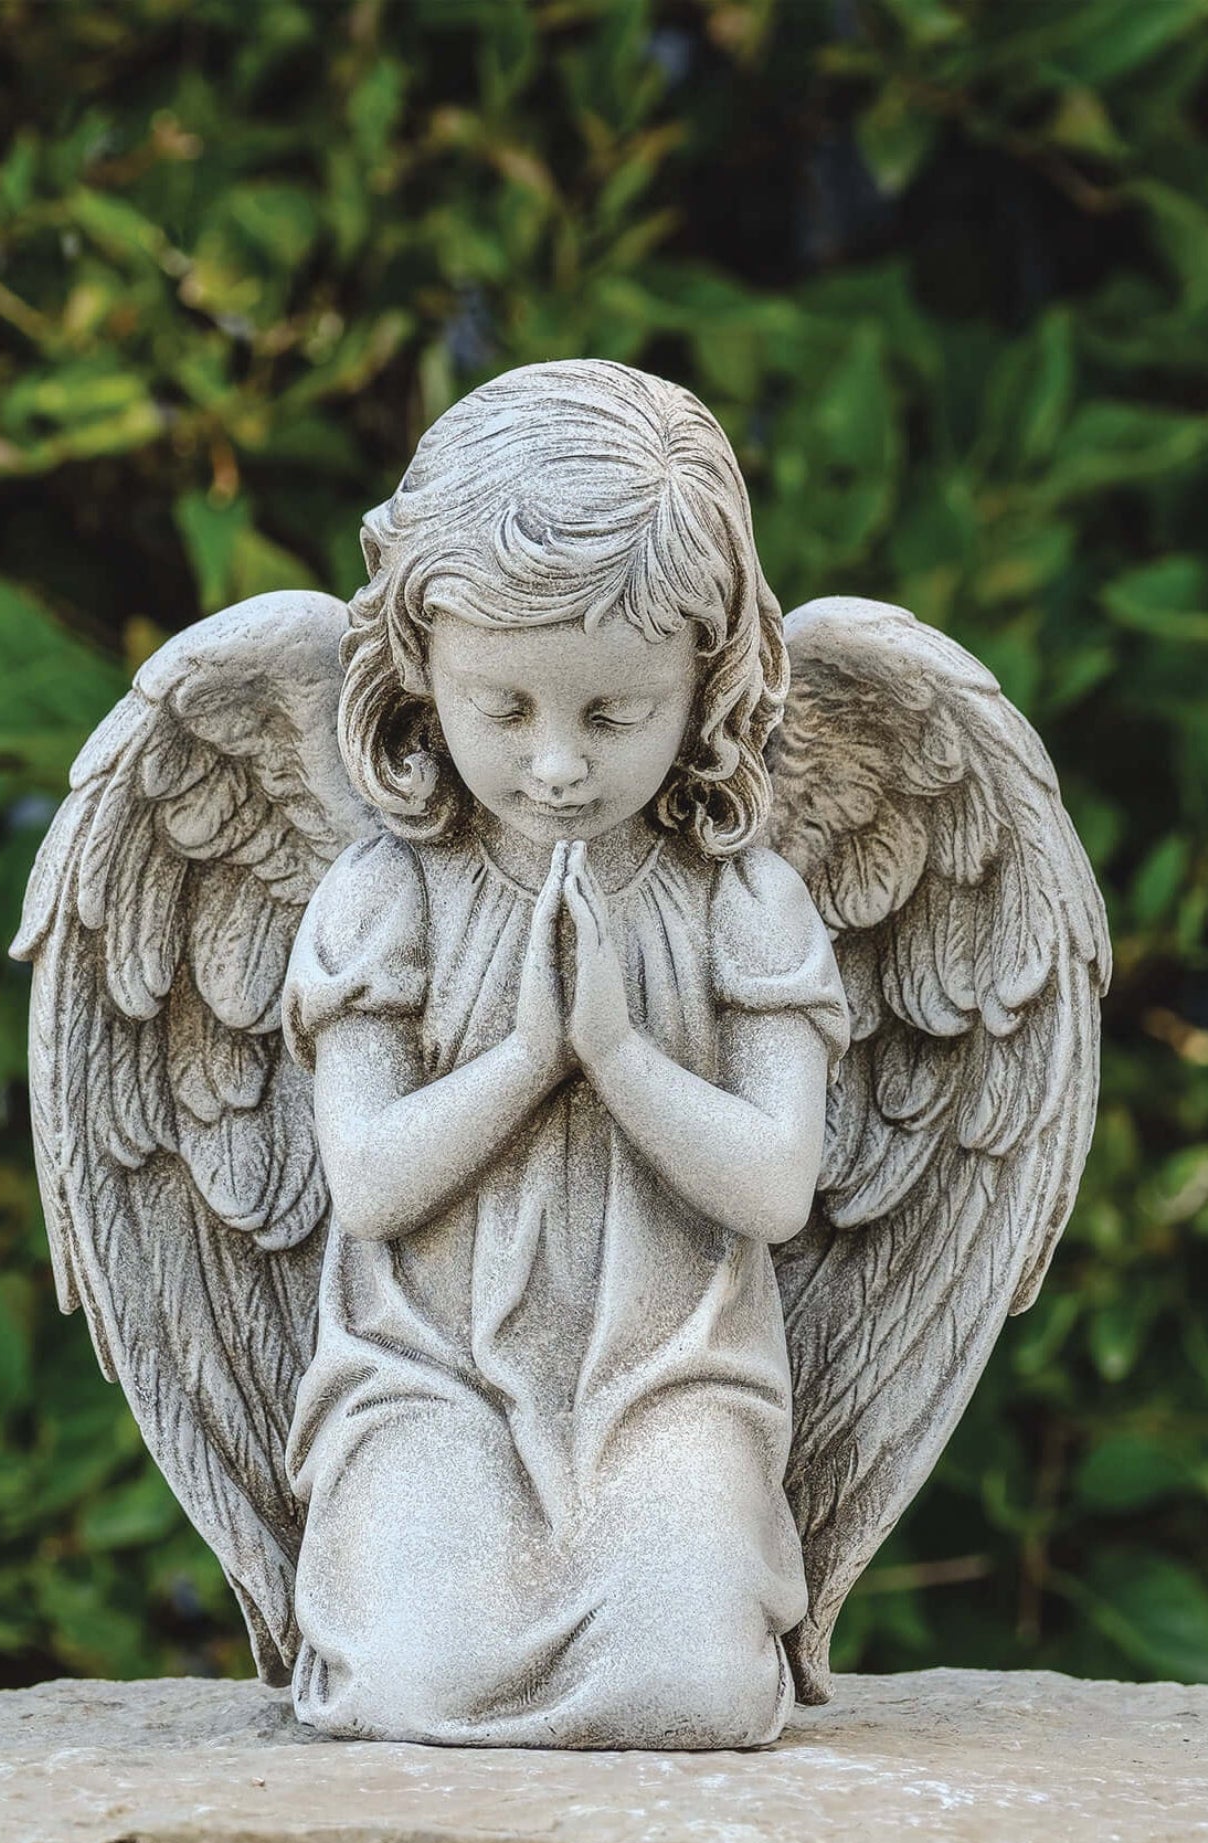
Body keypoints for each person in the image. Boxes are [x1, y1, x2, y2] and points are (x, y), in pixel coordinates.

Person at [279, 359, 849, 1747]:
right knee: (413, 1680)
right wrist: (534, 1057)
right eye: (504, 709)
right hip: (431, 1378)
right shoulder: (389, 896)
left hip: (669, 1386)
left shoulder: (742, 903)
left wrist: (617, 1052)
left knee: (694, 1688)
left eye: (612, 714)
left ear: (705, 678)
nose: (556, 767)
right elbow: (368, 1182)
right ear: (421, 669)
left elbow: (777, 1187)